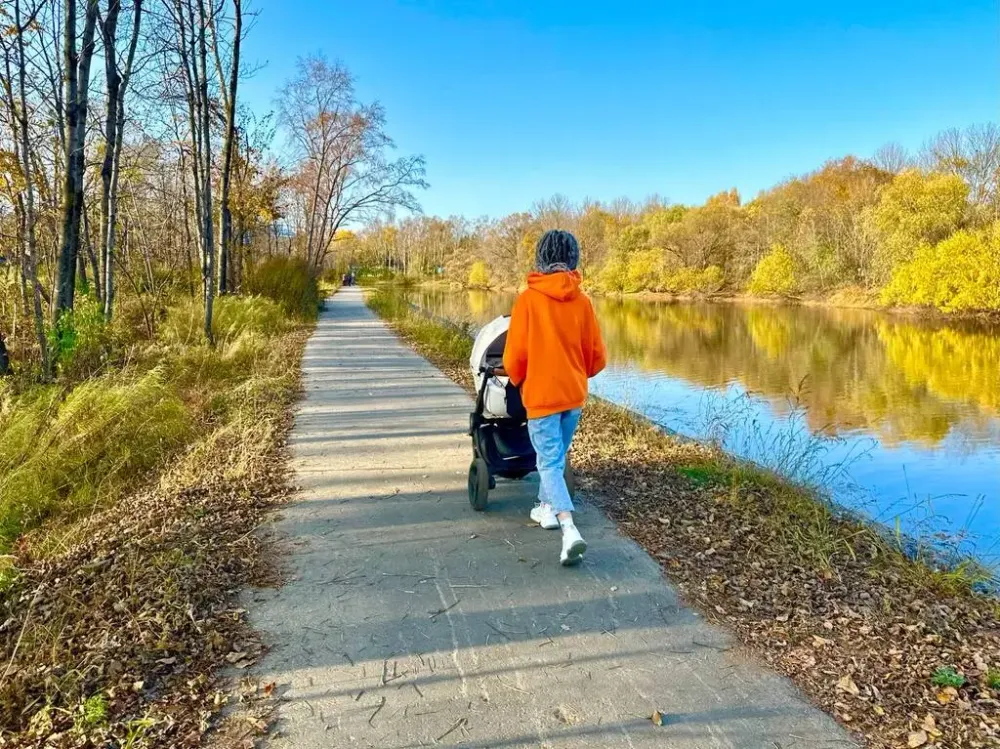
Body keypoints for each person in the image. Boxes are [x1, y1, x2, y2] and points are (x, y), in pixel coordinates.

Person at [503, 230, 607, 565]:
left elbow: (514, 356)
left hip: (543, 396)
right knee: (556, 456)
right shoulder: (583, 302)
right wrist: (578, 374)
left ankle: (568, 527)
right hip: (573, 395)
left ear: (540, 259)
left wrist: (519, 380)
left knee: (548, 461)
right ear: (574, 258)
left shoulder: (528, 301)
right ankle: (545, 509)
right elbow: (596, 356)